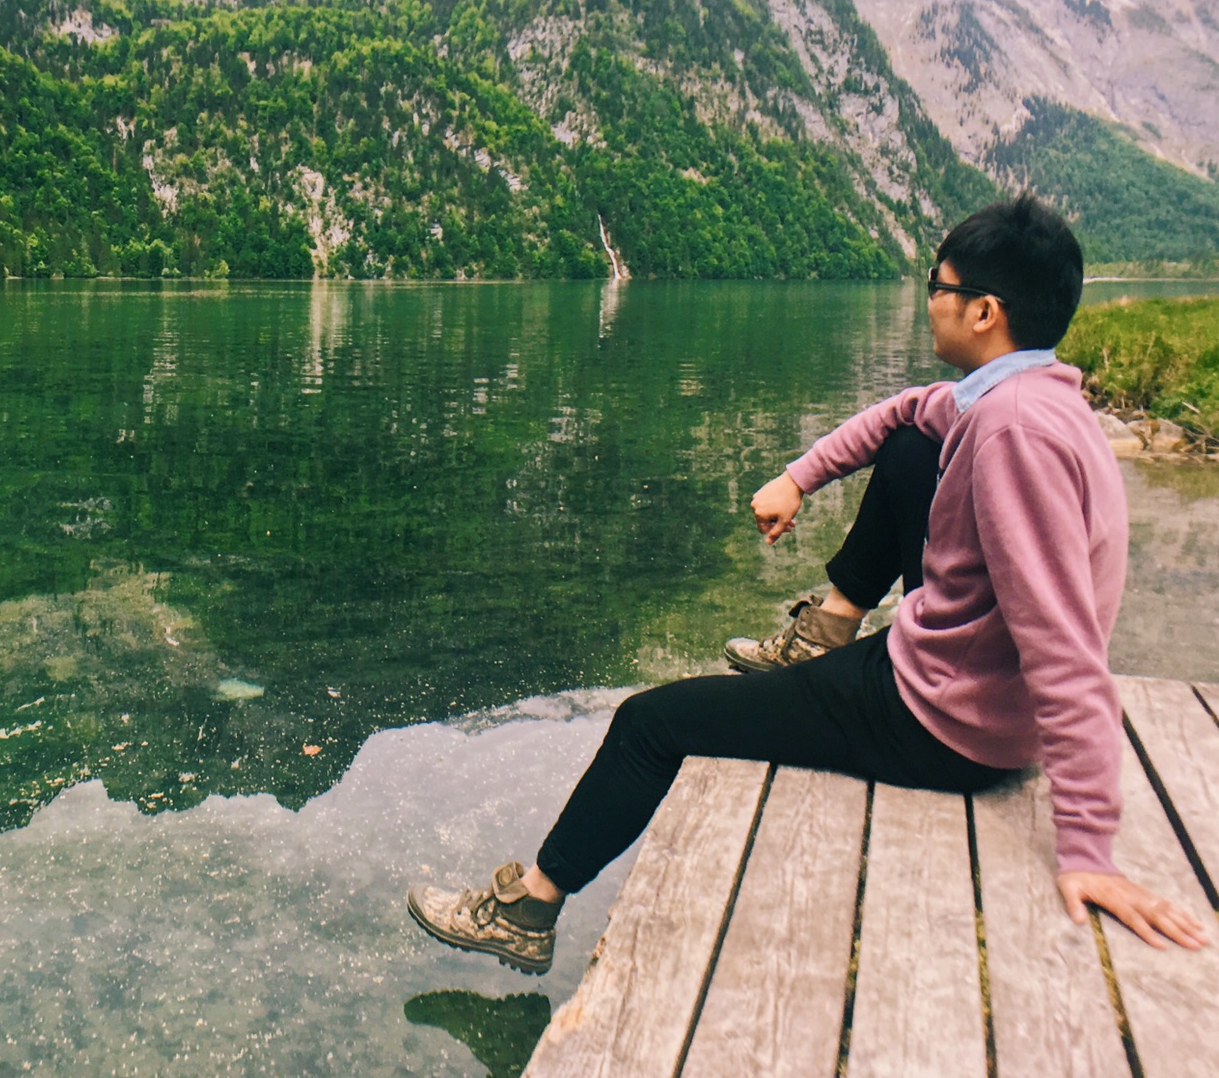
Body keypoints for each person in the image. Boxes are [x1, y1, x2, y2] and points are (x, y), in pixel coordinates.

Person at [407, 195, 1207, 975]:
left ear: (984, 312)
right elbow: (900, 415)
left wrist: (1088, 844)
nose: (929, 301)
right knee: (903, 449)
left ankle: (526, 912)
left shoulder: (1012, 437)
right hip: (963, 682)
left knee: (649, 723)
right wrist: (798, 477)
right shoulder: (1026, 394)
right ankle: (830, 627)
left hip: (943, 722)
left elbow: (1062, 644)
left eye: (938, 287)